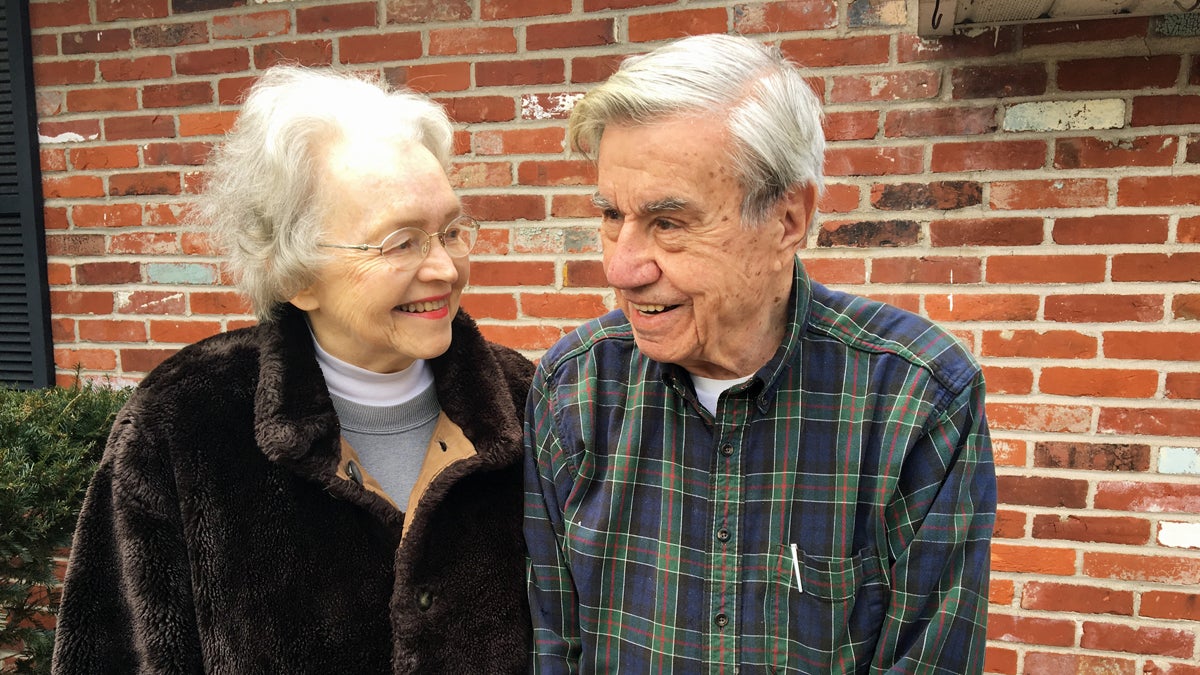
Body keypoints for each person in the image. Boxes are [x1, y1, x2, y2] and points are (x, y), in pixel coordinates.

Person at [524, 33, 996, 673]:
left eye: (669, 222)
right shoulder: (574, 386)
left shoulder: (915, 398)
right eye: (612, 215)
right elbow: (555, 643)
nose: (622, 266)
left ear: (787, 219)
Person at [52, 66, 532, 673]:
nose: (444, 268)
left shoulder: (529, 404)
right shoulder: (182, 424)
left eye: (451, 231)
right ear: (296, 272)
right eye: (400, 242)